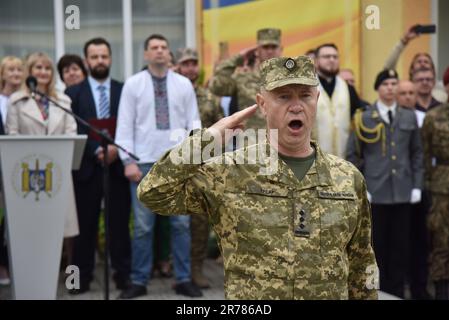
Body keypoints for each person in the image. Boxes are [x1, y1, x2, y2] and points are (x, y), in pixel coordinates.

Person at [137, 55, 378, 300]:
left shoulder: (347, 179)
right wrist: (206, 140)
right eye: (283, 97)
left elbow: (362, 265)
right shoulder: (231, 172)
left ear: (316, 100)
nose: (296, 106)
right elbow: (153, 192)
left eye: (304, 95)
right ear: (262, 105)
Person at [115, 34, 202, 299]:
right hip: (143, 163)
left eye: (164, 47)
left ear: (169, 54)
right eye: (154, 48)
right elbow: (124, 126)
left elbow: (194, 123)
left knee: (181, 225)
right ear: (145, 54)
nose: (160, 52)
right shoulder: (133, 85)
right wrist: (127, 161)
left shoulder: (184, 84)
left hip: (178, 162)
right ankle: (139, 281)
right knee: (143, 227)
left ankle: (184, 279)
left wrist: (192, 158)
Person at [346, 69, 423, 298]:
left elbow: (416, 153)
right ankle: (377, 293)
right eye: (386, 83)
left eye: (393, 83)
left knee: (400, 248)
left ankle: (397, 291)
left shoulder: (409, 116)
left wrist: (416, 185)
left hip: (402, 192)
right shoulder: (364, 117)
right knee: (375, 248)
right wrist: (362, 188)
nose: (390, 87)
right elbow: (353, 156)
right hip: (375, 193)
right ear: (377, 88)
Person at [65, 38, 131, 294]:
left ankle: (122, 276)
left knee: (119, 224)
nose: (100, 61)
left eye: (104, 56)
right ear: (86, 61)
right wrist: (96, 150)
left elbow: (129, 122)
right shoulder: (73, 93)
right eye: (94, 57)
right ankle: (82, 278)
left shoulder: (124, 90)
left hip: (116, 167)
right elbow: (76, 125)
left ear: (111, 58)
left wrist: (115, 148)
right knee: (86, 225)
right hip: (87, 169)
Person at [5, 52, 79, 264]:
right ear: (30, 72)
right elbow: (12, 135)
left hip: (58, 171)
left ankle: (68, 272)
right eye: (38, 68)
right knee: (33, 226)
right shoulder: (17, 102)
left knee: (64, 224)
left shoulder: (63, 100)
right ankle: (32, 267)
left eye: (47, 68)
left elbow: (71, 132)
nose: (43, 72)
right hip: (28, 174)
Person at [176, 47, 224, 289]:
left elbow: (225, 132)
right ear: (177, 67)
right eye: (185, 63)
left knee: (199, 221)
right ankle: (166, 267)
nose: (190, 68)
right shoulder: (170, 94)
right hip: (174, 165)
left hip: (202, 168)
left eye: (194, 63)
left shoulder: (210, 99)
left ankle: (196, 269)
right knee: (169, 220)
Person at [209, 28, 282, 129]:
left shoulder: (290, 80)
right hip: (251, 141)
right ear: (257, 51)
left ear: (280, 49)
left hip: (282, 141)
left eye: (273, 47)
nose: (269, 51)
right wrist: (238, 57)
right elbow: (216, 86)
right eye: (265, 47)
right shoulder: (243, 78)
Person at [0, 55, 24, 285]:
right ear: (2, 74)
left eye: (19, 70)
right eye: (11, 70)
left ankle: (17, 264)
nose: (16, 74)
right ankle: (2, 266)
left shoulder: (28, 100)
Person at [313, 43, 362, 158]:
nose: (331, 60)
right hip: (314, 160)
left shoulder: (347, 88)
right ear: (316, 60)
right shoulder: (306, 88)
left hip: (343, 161)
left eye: (335, 57)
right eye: (326, 57)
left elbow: (358, 121)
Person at [421, 101, 449, 300]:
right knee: (442, 240)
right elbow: (424, 152)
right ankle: (441, 291)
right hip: (441, 186)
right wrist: (428, 183)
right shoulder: (433, 116)